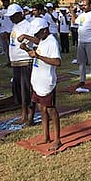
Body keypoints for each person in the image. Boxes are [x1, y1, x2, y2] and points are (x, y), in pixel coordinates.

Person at [20, 17, 62, 151]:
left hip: (46, 82)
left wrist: (38, 57)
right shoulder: (43, 40)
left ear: (44, 31)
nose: (36, 36)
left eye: (37, 33)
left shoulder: (52, 42)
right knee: (41, 109)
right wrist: (27, 49)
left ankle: (57, 139)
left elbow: (57, 62)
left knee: (50, 110)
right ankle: (46, 135)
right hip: (37, 80)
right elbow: (36, 52)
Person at [7, 3, 35, 125]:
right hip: (16, 62)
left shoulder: (27, 26)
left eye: (13, 16)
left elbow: (32, 40)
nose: (11, 18)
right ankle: (23, 113)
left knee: (26, 90)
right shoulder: (15, 26)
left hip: (25, 61)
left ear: (20, 14)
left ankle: (29, 115)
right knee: (18, 89)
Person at [69, 0, 91, 86]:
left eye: (85, 5)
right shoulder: (82, 15)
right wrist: (72, 12)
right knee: (81, 62)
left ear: (90, 5)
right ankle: (82, 80)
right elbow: (74, 22)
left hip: (90, 41)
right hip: (81, 41)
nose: (83, 7)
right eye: (82, 5)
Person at [0, 0, 13, 66]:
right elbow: (3, 21)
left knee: (11, 47)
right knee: (6, 48)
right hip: (4, 31)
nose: (3, 4)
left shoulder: (11, 10)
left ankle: (12, 61)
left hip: (10, 31)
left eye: (4, 2)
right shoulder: (3, 11)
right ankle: (8, 61)